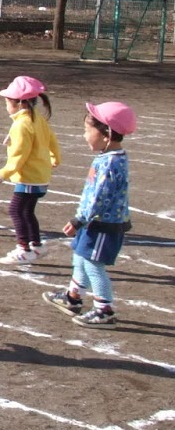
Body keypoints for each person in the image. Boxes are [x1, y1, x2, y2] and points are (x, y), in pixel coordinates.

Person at [44, 101, 134, 328]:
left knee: (93, 264)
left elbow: (99, 198)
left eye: (87, 130)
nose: (84, 136)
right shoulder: (109, 157)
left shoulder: (111, 162)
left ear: (107, 134)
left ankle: (105, 310)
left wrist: (79, 220)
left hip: (103, 224)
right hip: (94, 222)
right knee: (80, 257)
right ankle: (73, 297)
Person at [0, 75, 60, 266]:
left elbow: (20, 154)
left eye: (7, 102)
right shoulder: (36, 118)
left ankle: (23, 249)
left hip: (29, 176)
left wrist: (4, 172)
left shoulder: (22, 124)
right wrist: (55, 157)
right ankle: (36, 245)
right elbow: (52, 139)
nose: (6, 106)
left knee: (15, 210)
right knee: (27, 211)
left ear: (19, 103)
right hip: (40, 174)